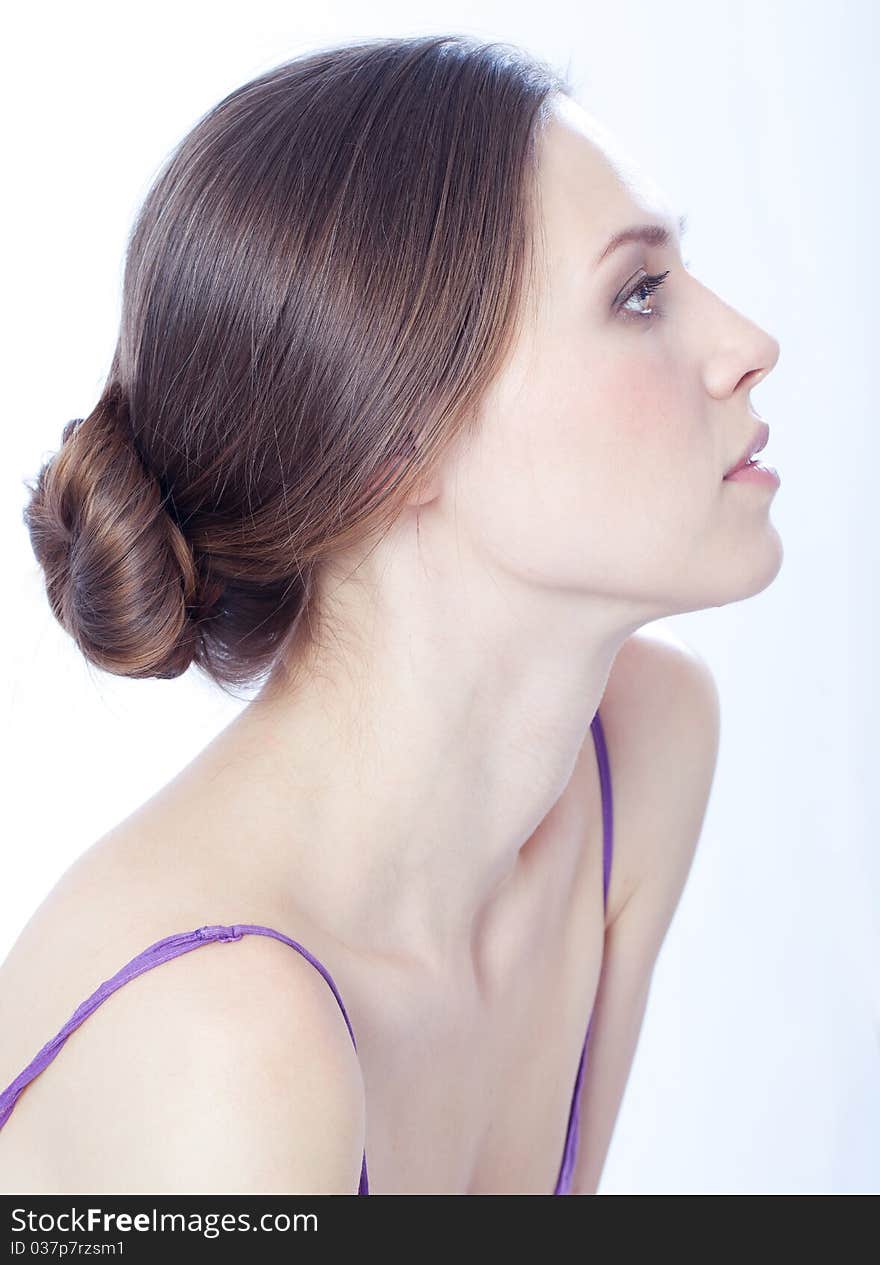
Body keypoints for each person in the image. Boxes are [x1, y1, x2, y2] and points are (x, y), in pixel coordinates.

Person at [0, 32, 779, 1195]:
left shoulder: (644, 749)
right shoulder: (229, 1047)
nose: (749, 347)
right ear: (387, 453)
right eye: (637, 293)